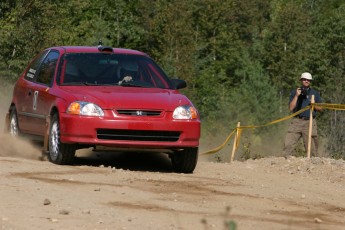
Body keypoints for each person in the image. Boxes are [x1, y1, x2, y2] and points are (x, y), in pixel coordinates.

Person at [283, 72, 323, 157]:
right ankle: (285, 161)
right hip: (296, 121)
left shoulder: (314, 93)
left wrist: (314, 104)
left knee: (312, 147)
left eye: (308, 80)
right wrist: (297, 96)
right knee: (288, 144)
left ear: (310, 81)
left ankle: (313, 164)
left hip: (310, 122)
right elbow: (291, 108)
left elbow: (321, 108)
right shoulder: (295, 92)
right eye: (304, 79)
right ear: (301, 80)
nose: (306, 81)